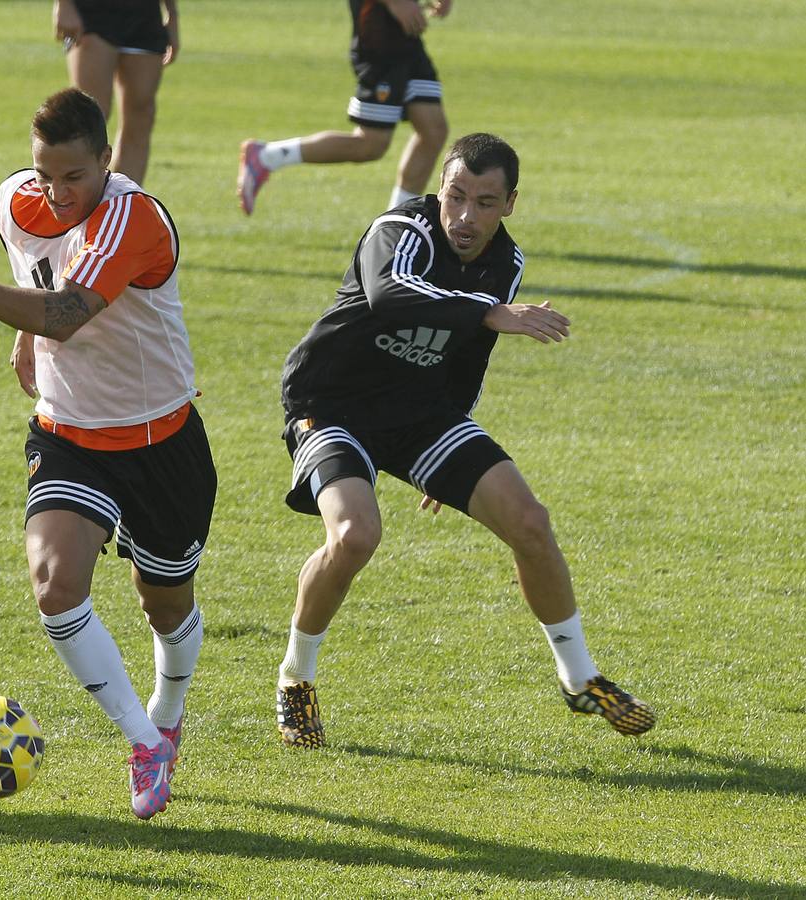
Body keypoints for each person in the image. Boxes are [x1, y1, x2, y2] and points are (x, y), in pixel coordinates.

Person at [0, 88, 215, 820]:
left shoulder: (134, 216)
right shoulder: (15, 199)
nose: (57, 193)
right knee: (56, 585)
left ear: (106, 160)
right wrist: (21, 336)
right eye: (44, 175)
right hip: (68, 436)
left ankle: (166, 711)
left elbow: (64, 313)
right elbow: (39, 274)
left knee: (165, 603)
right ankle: (143, 744)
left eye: (74, 177)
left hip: (161, 440)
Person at [274, 133, 654, 748]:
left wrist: (449, 453)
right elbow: (389, 296)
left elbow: (466, 360)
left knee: (530, 520)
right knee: (354, 534)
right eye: (455, 196)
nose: (464, 216)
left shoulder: (506, 263)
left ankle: (580, 676)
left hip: (421, 413)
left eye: (484, 202)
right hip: (331, 404)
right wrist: (487, 311)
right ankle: (296, 677)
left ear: (509, 205)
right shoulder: (400, 230)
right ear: (440, 191)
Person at [237, 0, 452, 216]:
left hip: (408, 41)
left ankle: (397, 225)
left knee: (433, 131)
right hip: (378, 40)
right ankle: (267, 156)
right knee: (371, 143)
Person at [53, 0, 179, 185]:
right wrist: (63, 4)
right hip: (92, 11)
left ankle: (125, 202)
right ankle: (76, 203)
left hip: (145, 13)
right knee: (89, 115)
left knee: (141, 114)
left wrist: (172, 14)